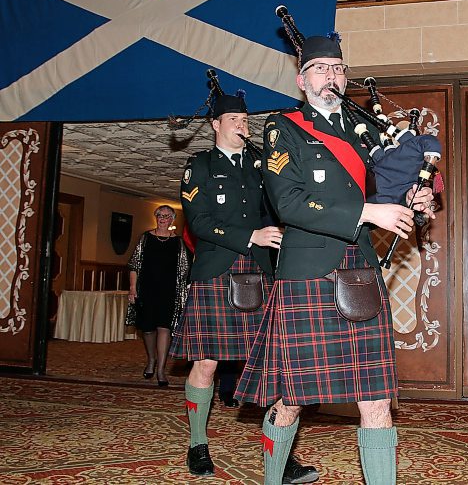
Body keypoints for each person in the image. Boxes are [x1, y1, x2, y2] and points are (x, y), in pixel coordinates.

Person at [234, 35, 436, 485]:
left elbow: (386, 189)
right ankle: (273, 478)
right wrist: (369, 211)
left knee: (376, 399)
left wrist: (415, 197)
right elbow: (288, 202)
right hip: (307, 272)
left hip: (359, 272)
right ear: (303, 80)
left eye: (339, 68)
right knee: (291, 399)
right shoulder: (282, 128)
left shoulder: (365, 131)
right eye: (322, 68)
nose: (332, 75)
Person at [169, 93, 318, 484]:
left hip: (260, 275)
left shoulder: (261, 165)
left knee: (274, 366)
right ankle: (198, 443)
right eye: (233, 118)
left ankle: (281, 457)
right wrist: (249, 235)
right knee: (206, 363)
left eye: (244, 118)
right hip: (216, 272)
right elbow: (199, 222)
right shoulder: (199, 165)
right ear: (216, 124)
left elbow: (284, 207)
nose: (241, 123)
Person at [126, 204, 190, 387]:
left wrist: (183, 295)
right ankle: (151, 359)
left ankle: (161, 369)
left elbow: (185, 271)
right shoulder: (145, 238)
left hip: (169, 292)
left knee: (165, 328)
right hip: (146, 290)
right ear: (156, 217)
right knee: (147, 329)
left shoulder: (178, 242)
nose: (163, 218)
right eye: (160, 215)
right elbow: (134, 265)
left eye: (166, 215)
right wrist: (132, 288)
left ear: (172, 219)